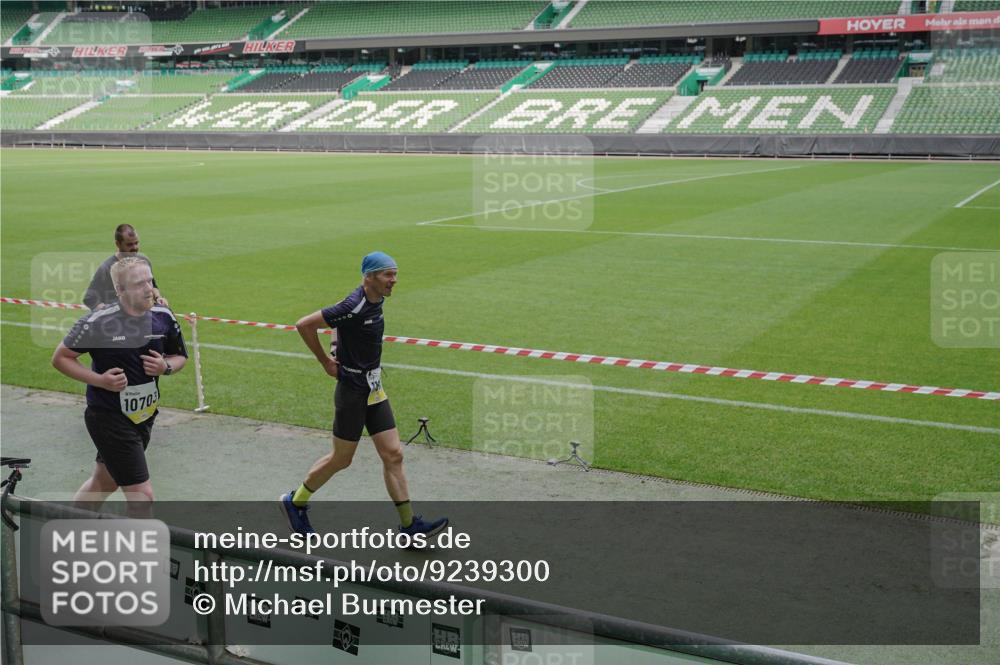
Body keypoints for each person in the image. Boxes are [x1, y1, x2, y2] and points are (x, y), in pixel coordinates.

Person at [282, 251, 447, 538]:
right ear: (369, 277)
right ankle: (295, 501)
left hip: (374, 388)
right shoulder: (354, 304)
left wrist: (336, 346)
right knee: (341, 460)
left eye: (395, 274)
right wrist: (325, 361)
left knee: (393, 454)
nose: (394, 280)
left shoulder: (375, 299)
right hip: (352, 392)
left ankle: (408, 526)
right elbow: (304, 324)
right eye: (388, 274)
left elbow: (338, 324)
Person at [52, 256, 187, 505]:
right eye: (139, 284)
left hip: (144, 417)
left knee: (103, 483)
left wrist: (165, 367)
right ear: (120, 290)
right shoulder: (99, 322)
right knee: (142, 497)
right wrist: (100, 380)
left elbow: (179, 357)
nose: (149, 289)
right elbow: (61, 358)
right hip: (108, 418)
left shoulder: (163, 316)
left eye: (150, 281)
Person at [84, 224, 168, 311]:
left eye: (136, 243)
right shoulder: (107, 267)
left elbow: (153, 286)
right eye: (129, 245)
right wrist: (107, 313)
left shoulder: (144, 261)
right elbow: (90, 298)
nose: (134, 248)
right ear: (118, 244)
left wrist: (158, 298)